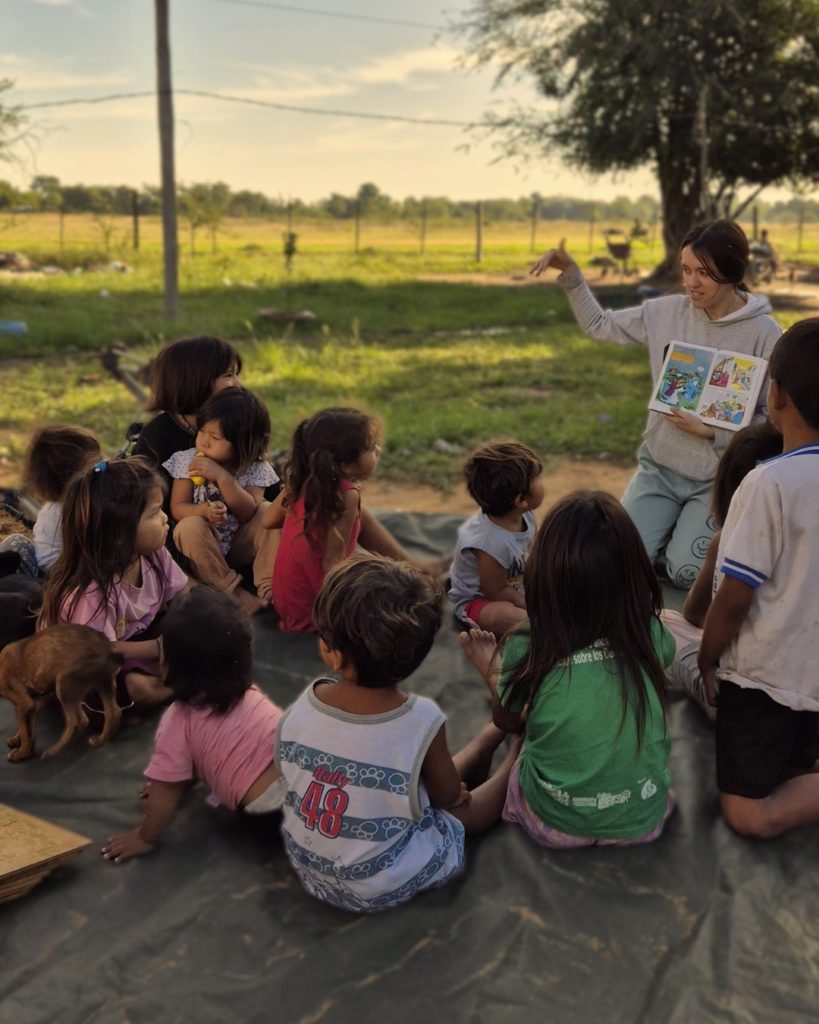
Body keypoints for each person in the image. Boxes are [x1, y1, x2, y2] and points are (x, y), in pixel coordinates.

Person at [530, 219, 781, 588]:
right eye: (686, 270)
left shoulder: (765, 334)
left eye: (704, 273)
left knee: (687, 574)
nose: (691, 283)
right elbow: (599, 324)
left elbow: (772, 418)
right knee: (617, 562)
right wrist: (572, 275)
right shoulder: (666, 313)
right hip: (659, 467)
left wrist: (713, 432)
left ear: (732, 272)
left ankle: (673, 542)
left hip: (716, 478)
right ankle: (660, 535)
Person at [275, 554, 520, 913]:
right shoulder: (419, 720)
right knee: (459, 815)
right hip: (377, 880)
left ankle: (488, 738)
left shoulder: (305, 705)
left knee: (407, 777)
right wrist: (453, 793)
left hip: (312, 868)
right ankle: (515, 759)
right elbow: (447, 796)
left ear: (334, 655)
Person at [462, 491, 675, 848]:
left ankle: (500, 681)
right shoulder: (651, 633)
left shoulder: (527, 643)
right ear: (634, 574)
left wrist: (501, 683)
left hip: (553, 824)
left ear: (545, 575)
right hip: (641, 820)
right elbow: (661, 659)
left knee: (521, 735)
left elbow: (509, 721)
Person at [698, 319, 819, 839]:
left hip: (762, 683)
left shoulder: (767, 483)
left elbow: (733, 599)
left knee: (747, 812)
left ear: (776, 394)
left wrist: (706, 658)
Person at [101, 586, 285, 863]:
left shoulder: (179, 721)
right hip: (312, 778)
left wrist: (144, 837)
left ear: (170, 666)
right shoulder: (248, 691)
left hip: (268, 814)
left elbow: (165, 793)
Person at [265, 406, 441, 633]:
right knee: (402, 599)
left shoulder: (303, 481)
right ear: (346, 465)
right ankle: (413, 573)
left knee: (362, 518)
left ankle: (413, 567)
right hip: (318, 613)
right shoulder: (346, 495)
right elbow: (333, 566)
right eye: (370, 448)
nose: (378, 450)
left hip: (288, 605)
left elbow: (268, 520)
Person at [39, 457, 188, 708]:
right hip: (82, 659)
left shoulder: (153, 553)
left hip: (131, 639)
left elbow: (183, 594)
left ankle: (169, 675)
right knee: (130, 688)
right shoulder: (91, 593)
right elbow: (99, 652)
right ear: (119, 534)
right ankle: (175, 687)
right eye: (154, 513)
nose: (165, 518)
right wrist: (156, 649)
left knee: (195, 628)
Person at [661, 422, 783, 719]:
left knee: (660, 622)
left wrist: (706, 660)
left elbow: (702, 611)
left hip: (742, 697)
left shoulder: (727, 539)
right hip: (802, 689)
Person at [164, 387, 278, 615]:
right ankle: (232, 592)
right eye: (202, 431)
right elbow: (177, 508)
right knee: (189, 526)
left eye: (215, 437)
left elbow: (248, 513)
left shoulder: (254, 467)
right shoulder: (187, 461)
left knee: (267, 511)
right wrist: (203, 512)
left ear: (243, 442)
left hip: (239, 544)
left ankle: (270, 587)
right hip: (203, 548)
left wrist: (222, 478)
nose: (204, 441)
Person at [448, 441, 544, 636]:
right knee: (506, 616)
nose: (543, 482)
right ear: (521, 500)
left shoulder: (524, 514)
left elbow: (533, 547)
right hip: (480, 601)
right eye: (538, 478)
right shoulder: (490, 544)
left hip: (516, 585)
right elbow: (495, 591)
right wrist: (530, 605)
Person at [132, 334, 242, 485]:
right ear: (195, 382)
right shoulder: (156, 437)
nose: (238, 384)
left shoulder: (241, 421)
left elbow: (267, 489)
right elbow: (150, 501)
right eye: (228, 375)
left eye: (237, 373)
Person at [0, 425, 101, 577]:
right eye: (97, 467)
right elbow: (50, 562)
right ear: (70, 480)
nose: (104, 466)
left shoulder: (93, 497)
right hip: (53, 575)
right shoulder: (60, 512)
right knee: (16, 543)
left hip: (82, 570)